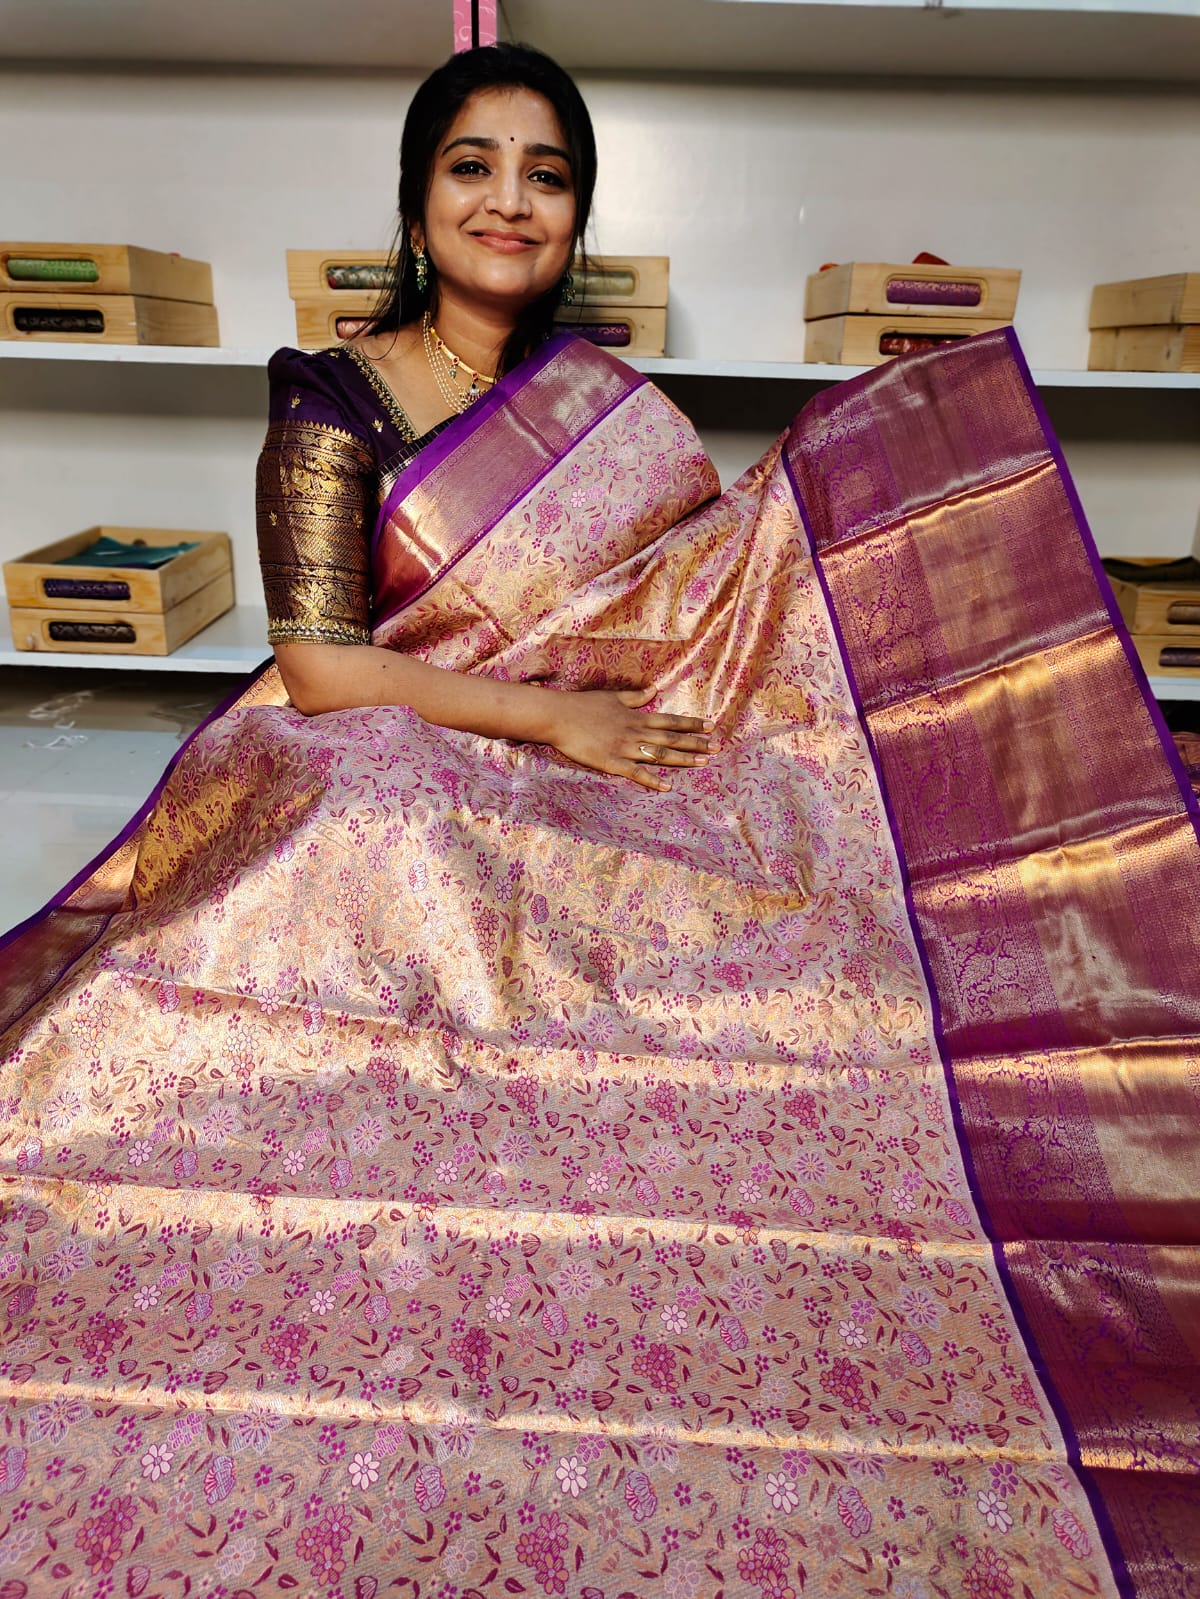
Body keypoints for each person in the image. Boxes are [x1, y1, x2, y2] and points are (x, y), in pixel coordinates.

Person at [0, 43, 1197, 1599]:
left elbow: (698, 588)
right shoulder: (333, 400)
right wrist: (552, 721)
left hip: (558, 729)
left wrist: (861, 508)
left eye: (547, 174)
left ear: (576, 215)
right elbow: (321, 666)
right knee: (378, 804)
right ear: (418, 206)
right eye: (473, 166)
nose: (510, 200)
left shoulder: (601, 406)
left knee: (752, 833)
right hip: (385, 733)